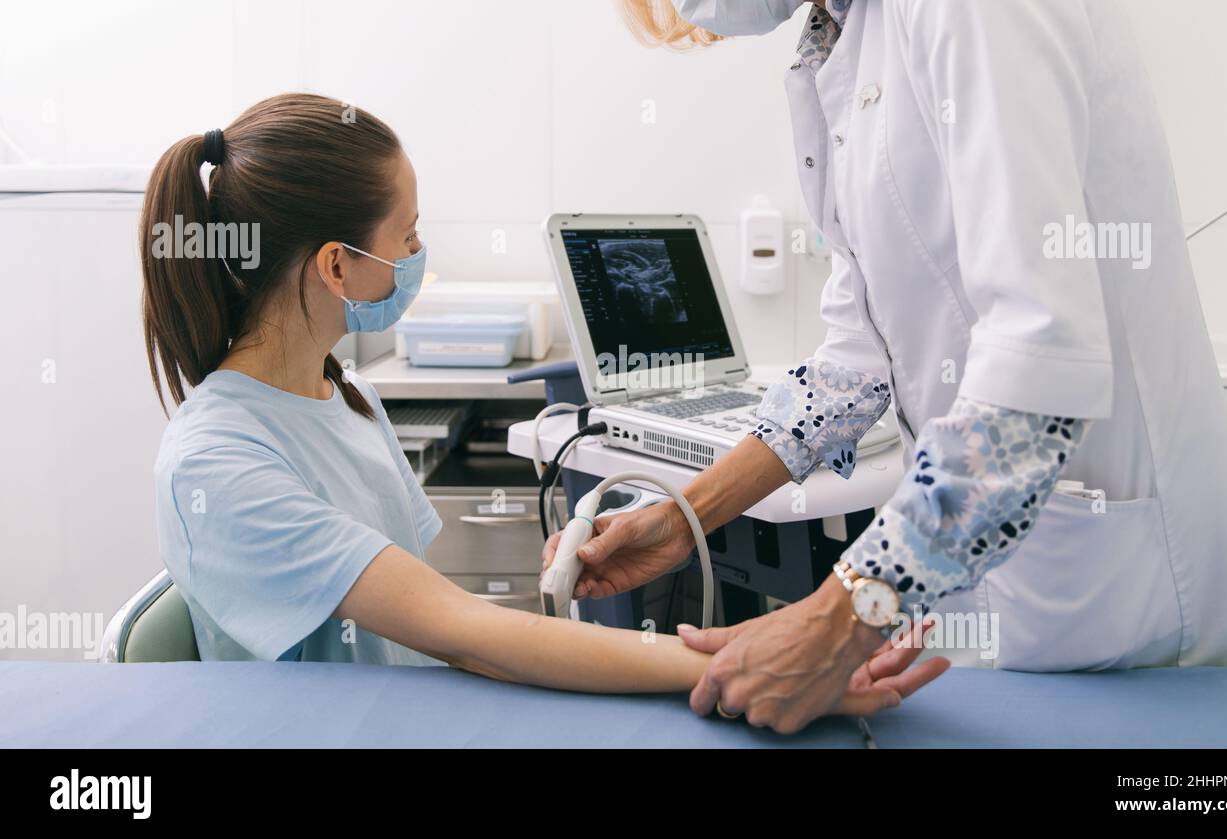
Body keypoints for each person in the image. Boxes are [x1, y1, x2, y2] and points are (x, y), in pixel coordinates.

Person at [546, 0, 1227, 732]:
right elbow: (857, 359)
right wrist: (682, 520)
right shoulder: (850, 36)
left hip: (1119, 601)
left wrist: (836, 621)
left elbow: (1036, 363)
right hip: (999, 586)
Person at [140, 92, 944, 713]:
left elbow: (452, 633)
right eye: (407, 236)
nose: (419, 255)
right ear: (336, 267)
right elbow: (466, 632)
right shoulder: (221, 458)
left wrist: (761, 642)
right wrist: (743, 659)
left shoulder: (341, 395)